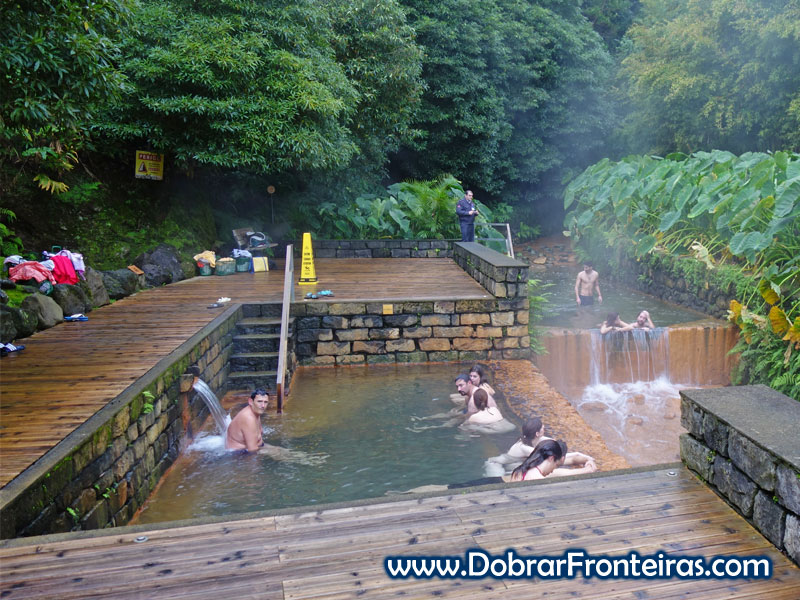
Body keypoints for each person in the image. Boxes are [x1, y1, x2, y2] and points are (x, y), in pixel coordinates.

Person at [509, 439, 597, 482]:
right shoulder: (538, 480)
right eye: (556, 465)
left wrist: (588, 463)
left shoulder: (521, 469)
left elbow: (561, 472)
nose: (552, 470)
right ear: (551, 458)